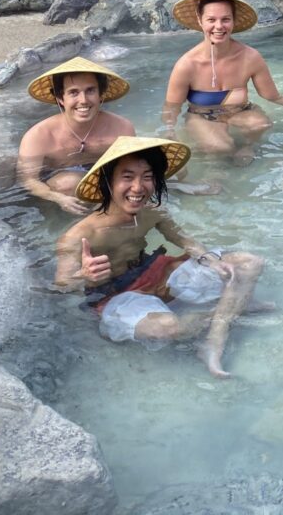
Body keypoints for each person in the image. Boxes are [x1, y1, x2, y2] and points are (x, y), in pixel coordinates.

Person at [54, 136, 265, 378]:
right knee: (168, 328)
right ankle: (233, 306)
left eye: (147, 176)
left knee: (248, 263)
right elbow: (61, 286)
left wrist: (210, 260)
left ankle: (216, 336)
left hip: (155, 273)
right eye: (127, 177)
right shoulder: (79, 235)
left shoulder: (152, 212)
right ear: (108, 182)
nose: (138, 187)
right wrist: (83, 275)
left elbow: (186, 241)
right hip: (115, 294)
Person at [163, 0, 283, 161]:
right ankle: (212, 158)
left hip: (240, 111)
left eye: (225, 19)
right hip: (202, 116)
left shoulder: (250, 57)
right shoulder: (186, 65)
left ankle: (248, 146)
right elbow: (172, 107)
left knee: (261, 124)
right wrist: (170, 131)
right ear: (200, 20)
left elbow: (273, 96)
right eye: (211, 20)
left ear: (233, 21)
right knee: (220, 147)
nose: (219, 26)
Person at [18, 57, 133, 215]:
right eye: (73, 92)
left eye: (90, 90)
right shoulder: (38, 136)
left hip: (106, 182)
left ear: (101, 94)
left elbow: (133, 168)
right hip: (60, 187)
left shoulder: (122, 128)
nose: (83, 100)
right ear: (60, 98)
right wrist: (56, 198)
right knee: (67, 183)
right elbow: (28, 180)